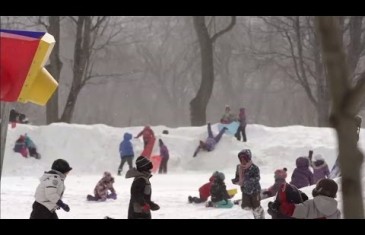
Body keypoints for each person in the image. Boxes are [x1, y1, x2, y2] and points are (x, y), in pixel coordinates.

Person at [232, 149, 265, 219]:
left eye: (244, 159)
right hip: (245, 190)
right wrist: (235, 180)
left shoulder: (254, 167)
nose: (243, 161)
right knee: (246, 206)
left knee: (256, 206)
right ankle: (256, 213)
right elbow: (238, 177)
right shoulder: (239, 167)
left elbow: (257, 178)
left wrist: (248, 180)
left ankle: (260, 214)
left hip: (255, 190)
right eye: (241, 159)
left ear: (248, 158)